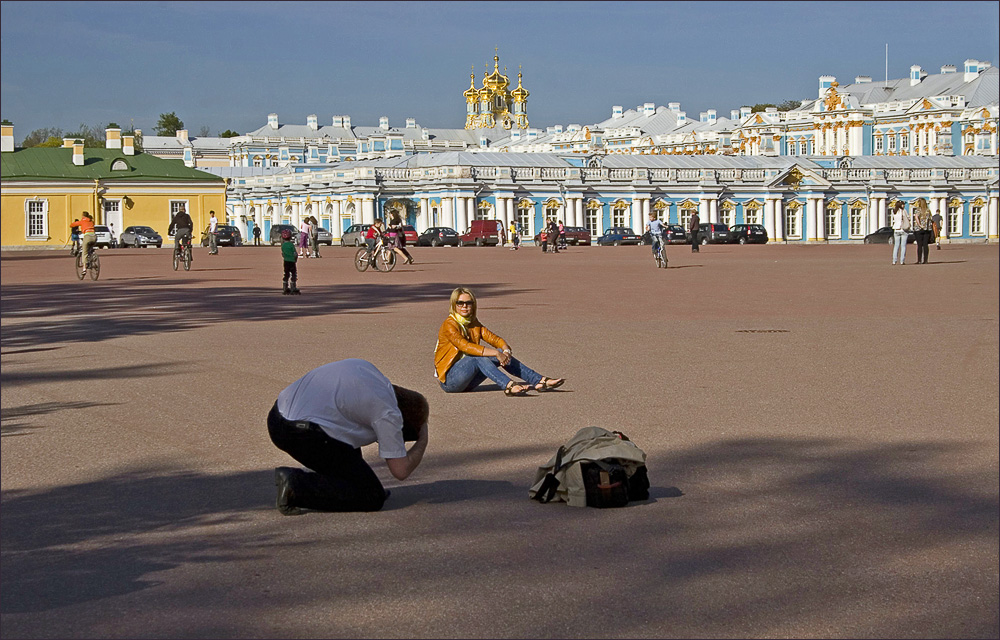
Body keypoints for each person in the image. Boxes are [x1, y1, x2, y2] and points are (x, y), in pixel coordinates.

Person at [267, 359, 429, 514]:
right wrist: (423, 440)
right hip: (297, 434)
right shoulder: (388, 414)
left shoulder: (370, 371)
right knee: (371, 497)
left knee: (348, 446)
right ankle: (295, 486)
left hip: (277, 415)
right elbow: (400, 471)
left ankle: (352, 487)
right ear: (401, 426)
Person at [434, 287, 565, 396]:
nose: (464, 306)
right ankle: (508, 385)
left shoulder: (473, 323)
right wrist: (496, 354)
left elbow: (493, 338)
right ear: (453, 304)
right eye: (460, 303)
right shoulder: (449, 325)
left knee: (498, 352)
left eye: (469, 303)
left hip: (468, 382)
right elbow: (466, 347)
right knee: (478, 358)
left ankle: (538, 381)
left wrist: (505, 350)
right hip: (450, 382)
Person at [890, 201, 911, 266]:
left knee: (896, 246)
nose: (904, 205)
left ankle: (894, 261)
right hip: (903, 229)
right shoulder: (903, 211)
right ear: (901, 205)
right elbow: (908, 218)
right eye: (903, 204)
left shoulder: (894, 211)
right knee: (903, 246)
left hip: (896, 229)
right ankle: (902, 260)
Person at [280, 228, 299, 294]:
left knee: (286, 274)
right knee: (293, 274)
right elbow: (295, 253)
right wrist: (295, 259)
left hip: (286, 261)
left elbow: (283, 254)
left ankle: (285, 287)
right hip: (292, 261)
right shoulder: (291, 245)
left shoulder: (283, 246)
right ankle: (293, 286)